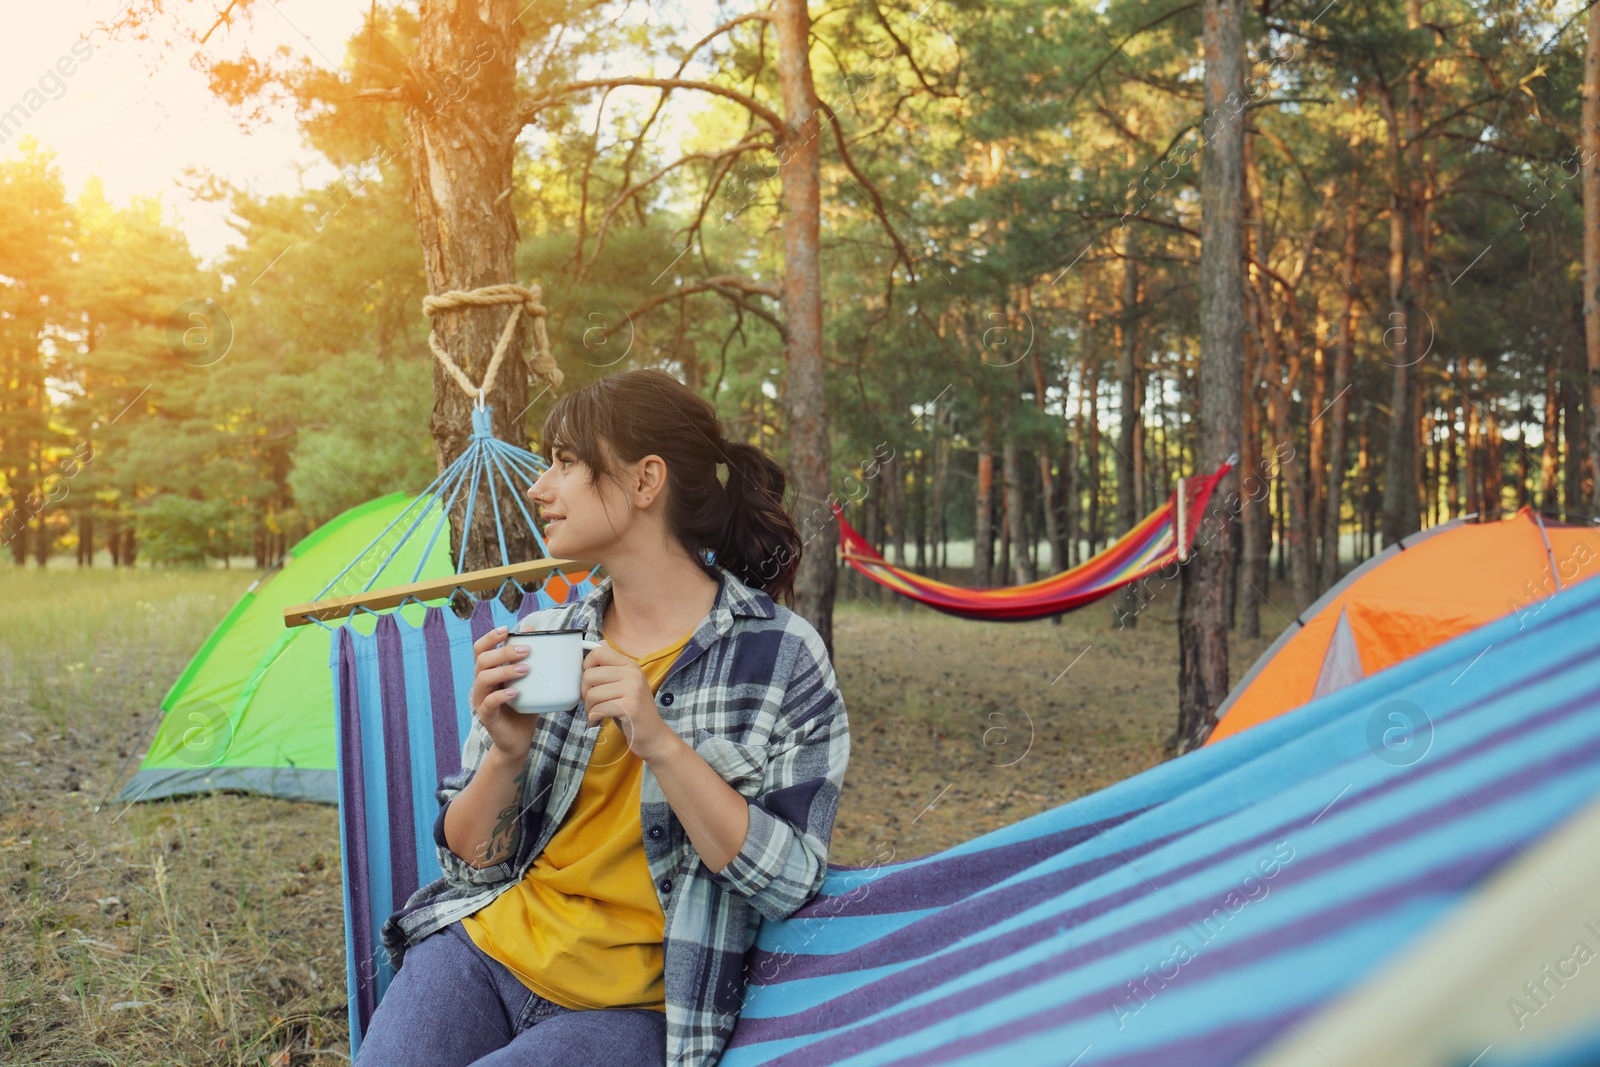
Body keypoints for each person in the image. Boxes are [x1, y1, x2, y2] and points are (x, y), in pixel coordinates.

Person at [355, 368, 850, 1067]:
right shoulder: (548, 635)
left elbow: (793, 878)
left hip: (634, 1012)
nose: (538, 486)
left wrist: (663, 745)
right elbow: (469, 866)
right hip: (482, 953)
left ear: (646, 481)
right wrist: (504, 755)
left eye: (564, 463)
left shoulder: (781, 658)